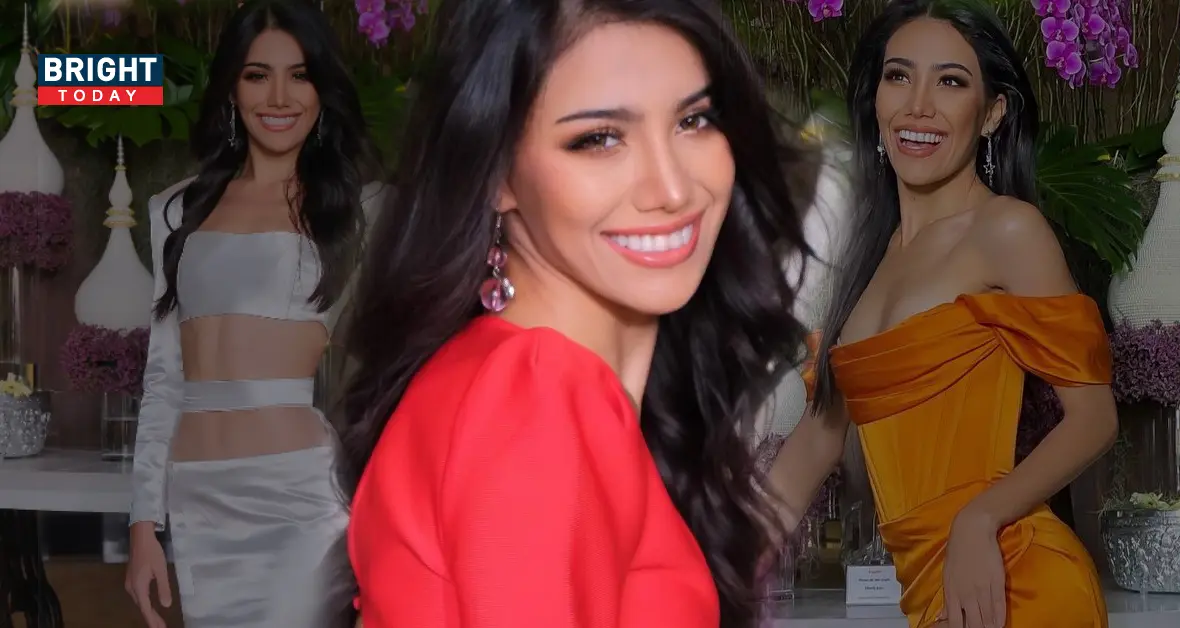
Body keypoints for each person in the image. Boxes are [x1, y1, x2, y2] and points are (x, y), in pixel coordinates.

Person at [333, 0, 822, 626]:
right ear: (496, 173)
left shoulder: (518, 383)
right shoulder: (535, 399)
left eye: (694, 120)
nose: (673, 189)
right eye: (599, 139)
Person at [767, 1, 1118, 628]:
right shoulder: (869, 259)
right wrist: (702, 565)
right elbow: (815, 442)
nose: (919, 105)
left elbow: (1094, 419)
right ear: (876, 101)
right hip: (929, 591)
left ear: (992, 113)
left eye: (951, 82)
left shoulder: (1006, 229)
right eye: (898, 76)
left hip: (1014, 576)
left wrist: (979, 518)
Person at [123, 1, 381, 626]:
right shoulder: (173, 211)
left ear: (321, 90)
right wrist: (143, 523)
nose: (280, 97)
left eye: (300, 75)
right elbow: (164, 379)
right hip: (198, 507)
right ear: (232, 89)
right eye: (257, 74)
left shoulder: (358, 211)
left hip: (299, 502)